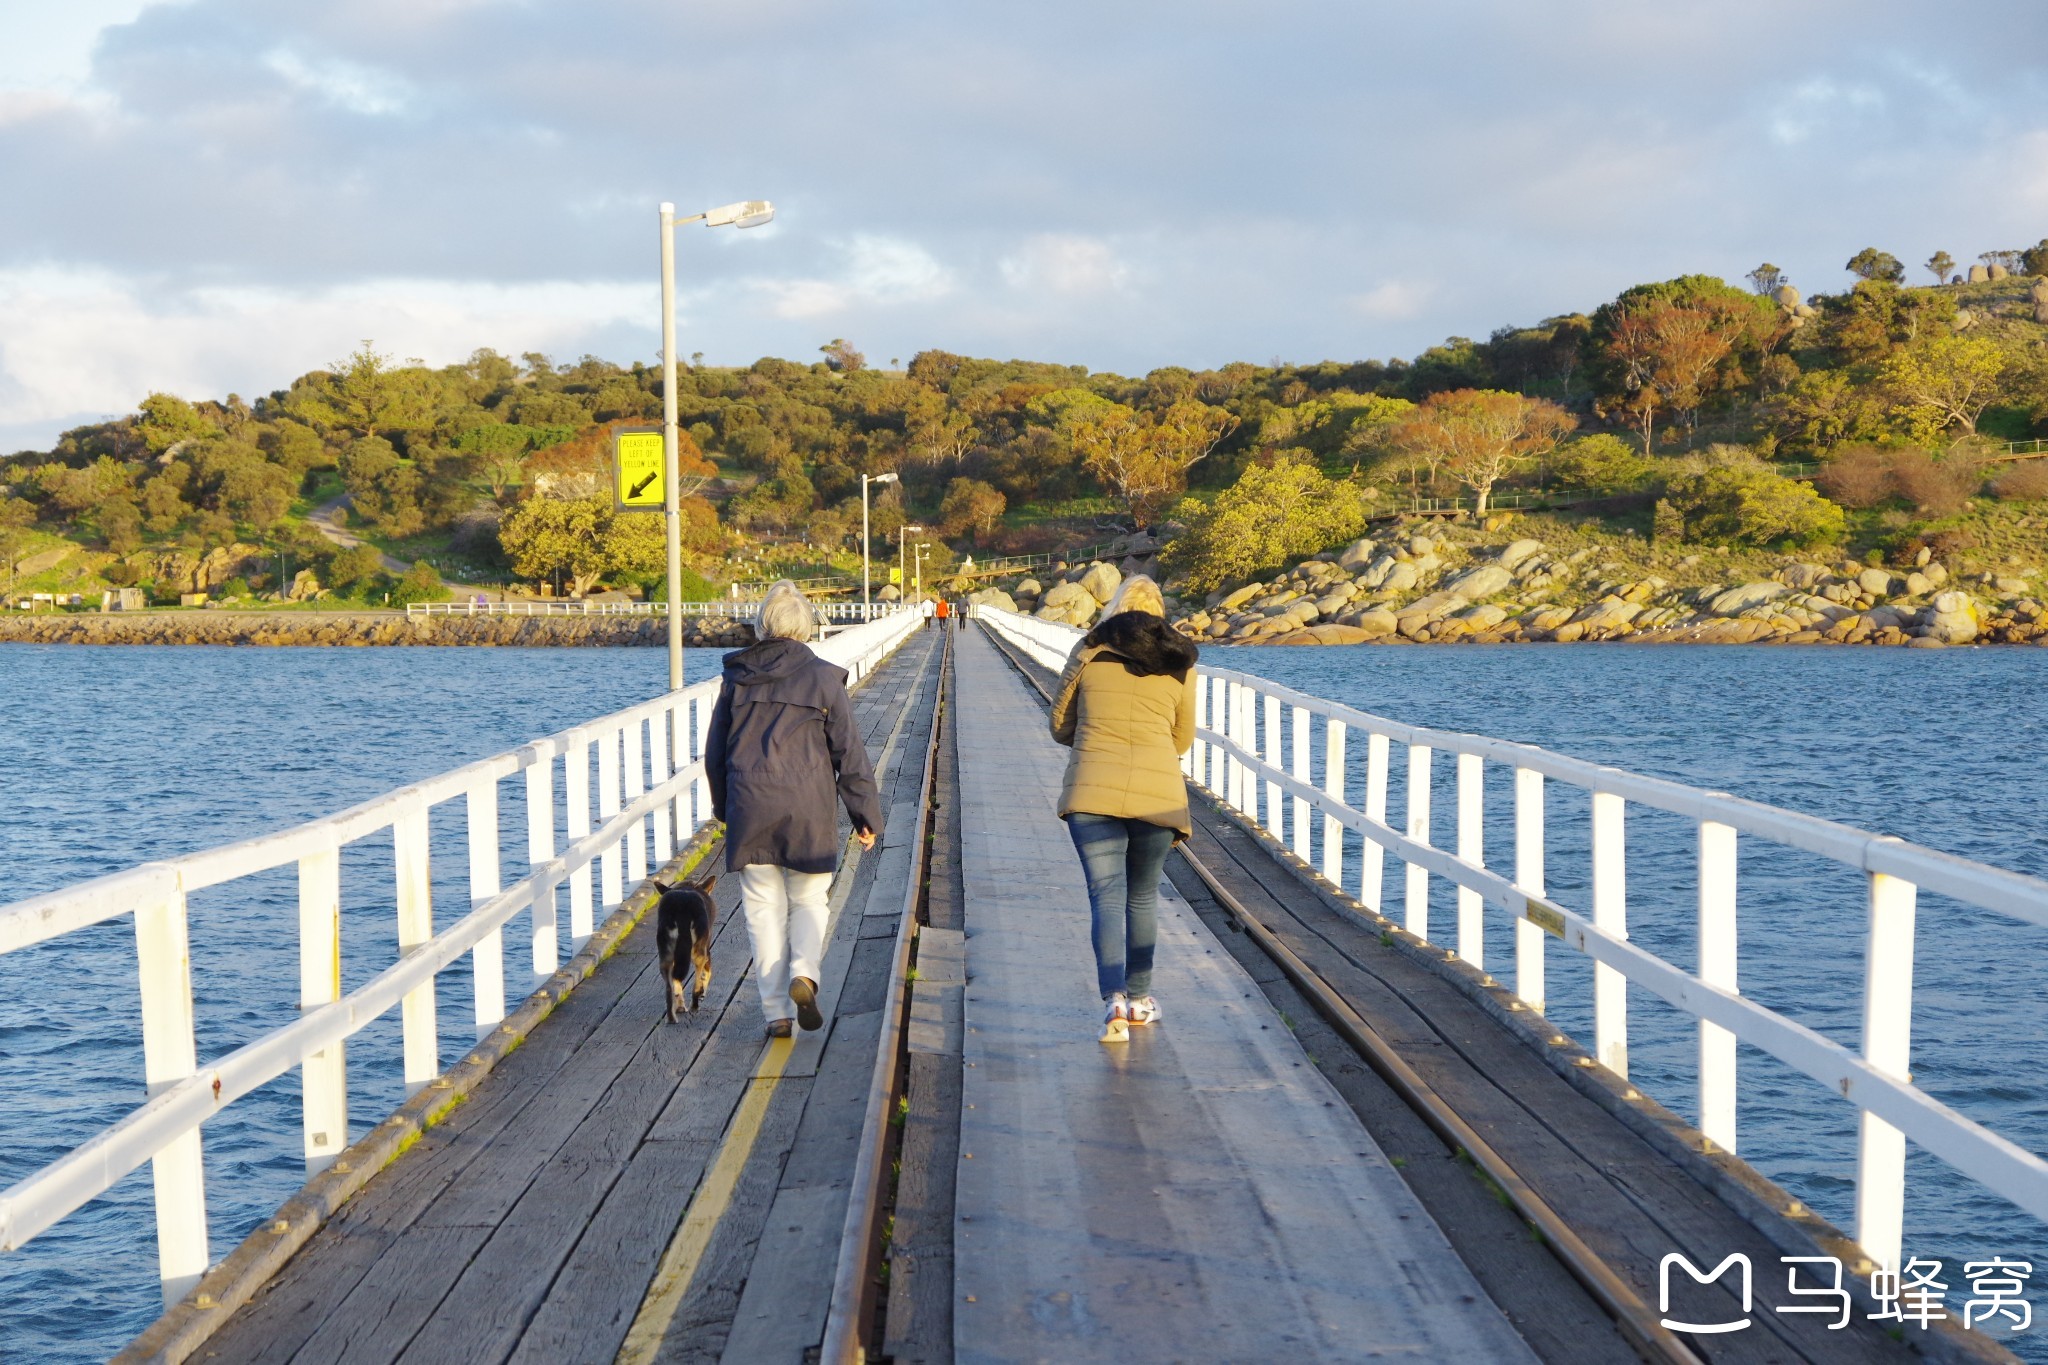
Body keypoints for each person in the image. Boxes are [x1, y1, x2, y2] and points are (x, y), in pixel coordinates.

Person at [705, 581, 882, 1038]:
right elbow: (849, 752)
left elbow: (715, 752)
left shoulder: (736, 677)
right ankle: (805, 973)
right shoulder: (824, 678)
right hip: (807, 808)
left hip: (751, 804)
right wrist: (865, 815)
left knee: (762, 910)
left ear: (763, 625)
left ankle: (775, 1013)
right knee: (808, 900)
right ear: (806, 628)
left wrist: (727, 810)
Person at [1048, 575, 1198, 1043]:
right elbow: (1183, 740)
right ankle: (1139, 999)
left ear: (1114, 609)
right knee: (1142, 897)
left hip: (1093, 795)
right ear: (1160, 615)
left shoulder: (1089, 653)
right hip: (1159, 797)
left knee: (1106, 897)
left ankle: (1112, 999)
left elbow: (1059, 725)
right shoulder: (1180, 666)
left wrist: (1095, 738)